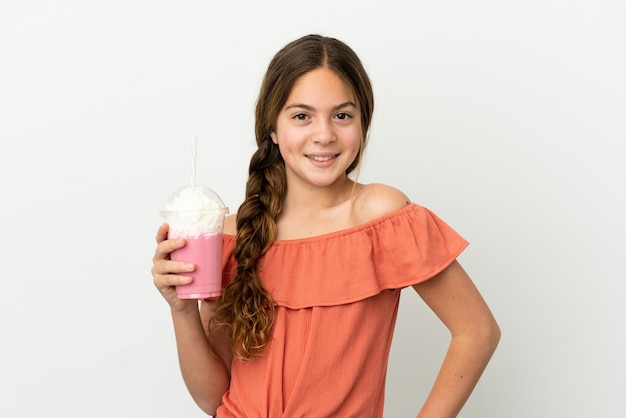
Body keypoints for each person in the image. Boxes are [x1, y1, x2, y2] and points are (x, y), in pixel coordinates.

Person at [152, 34, 500, 418]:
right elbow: (213, 398)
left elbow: (477, 332)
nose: (324, 135)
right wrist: (182, 311)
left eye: (342, 115)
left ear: (362, 122)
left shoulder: (380, 216)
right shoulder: (232, 236)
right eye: (302, 116)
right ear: (272, 128)